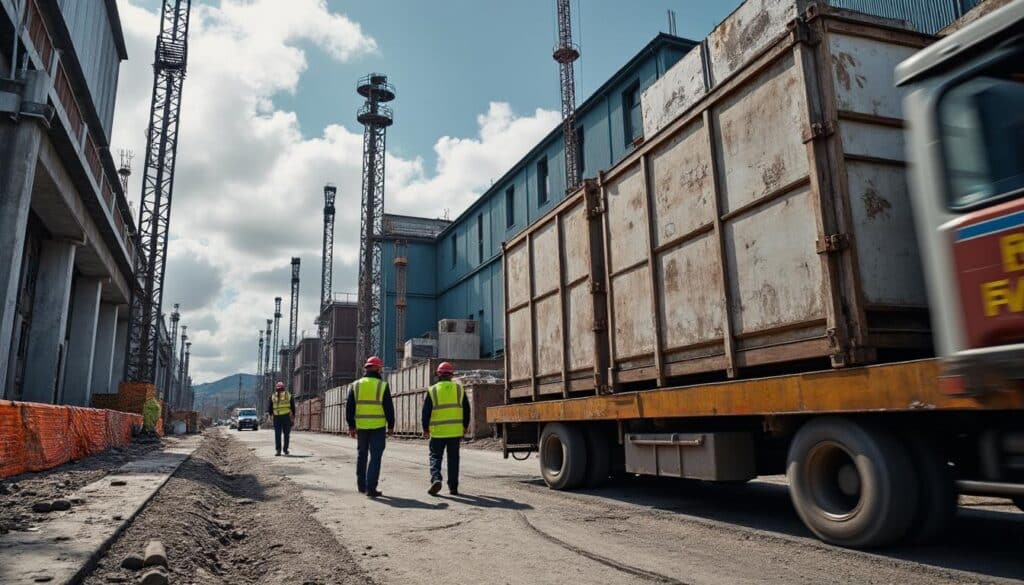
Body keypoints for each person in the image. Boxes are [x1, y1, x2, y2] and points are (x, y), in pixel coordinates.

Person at [346, 356, 395, 498]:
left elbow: (349, 407)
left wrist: (351, 426)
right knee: (375, 456)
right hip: (378, 427)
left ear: (366, 368)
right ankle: (371, 488)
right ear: (378, 368)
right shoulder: (382, 385)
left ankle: (361, 486)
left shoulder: (356, 385)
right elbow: (388, 408)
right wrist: (391, 425)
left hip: (361, 426)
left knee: (362, 455)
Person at [422, 362, 471, 496]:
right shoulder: (459, 389)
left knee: (435, 457)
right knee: (453, 459)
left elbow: (426, 411)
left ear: (438, 374)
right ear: (451, 375)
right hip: (455, 431)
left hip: (438, 431)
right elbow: (467, 410)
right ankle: (453, 488)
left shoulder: (433, 390)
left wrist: (425, 428)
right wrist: (465, 426)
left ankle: (436, 478)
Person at [268, 382, 295, 456]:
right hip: (286, 417)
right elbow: (293, 407)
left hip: (277, 417)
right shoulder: (288, 395)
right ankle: (285, 450)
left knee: (277, 434)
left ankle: (278, 450)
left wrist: (270, 415)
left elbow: (270, 407)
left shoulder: (273, 396)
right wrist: (293, 416)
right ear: (284, 388)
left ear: (276, 388)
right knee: (286, 434)